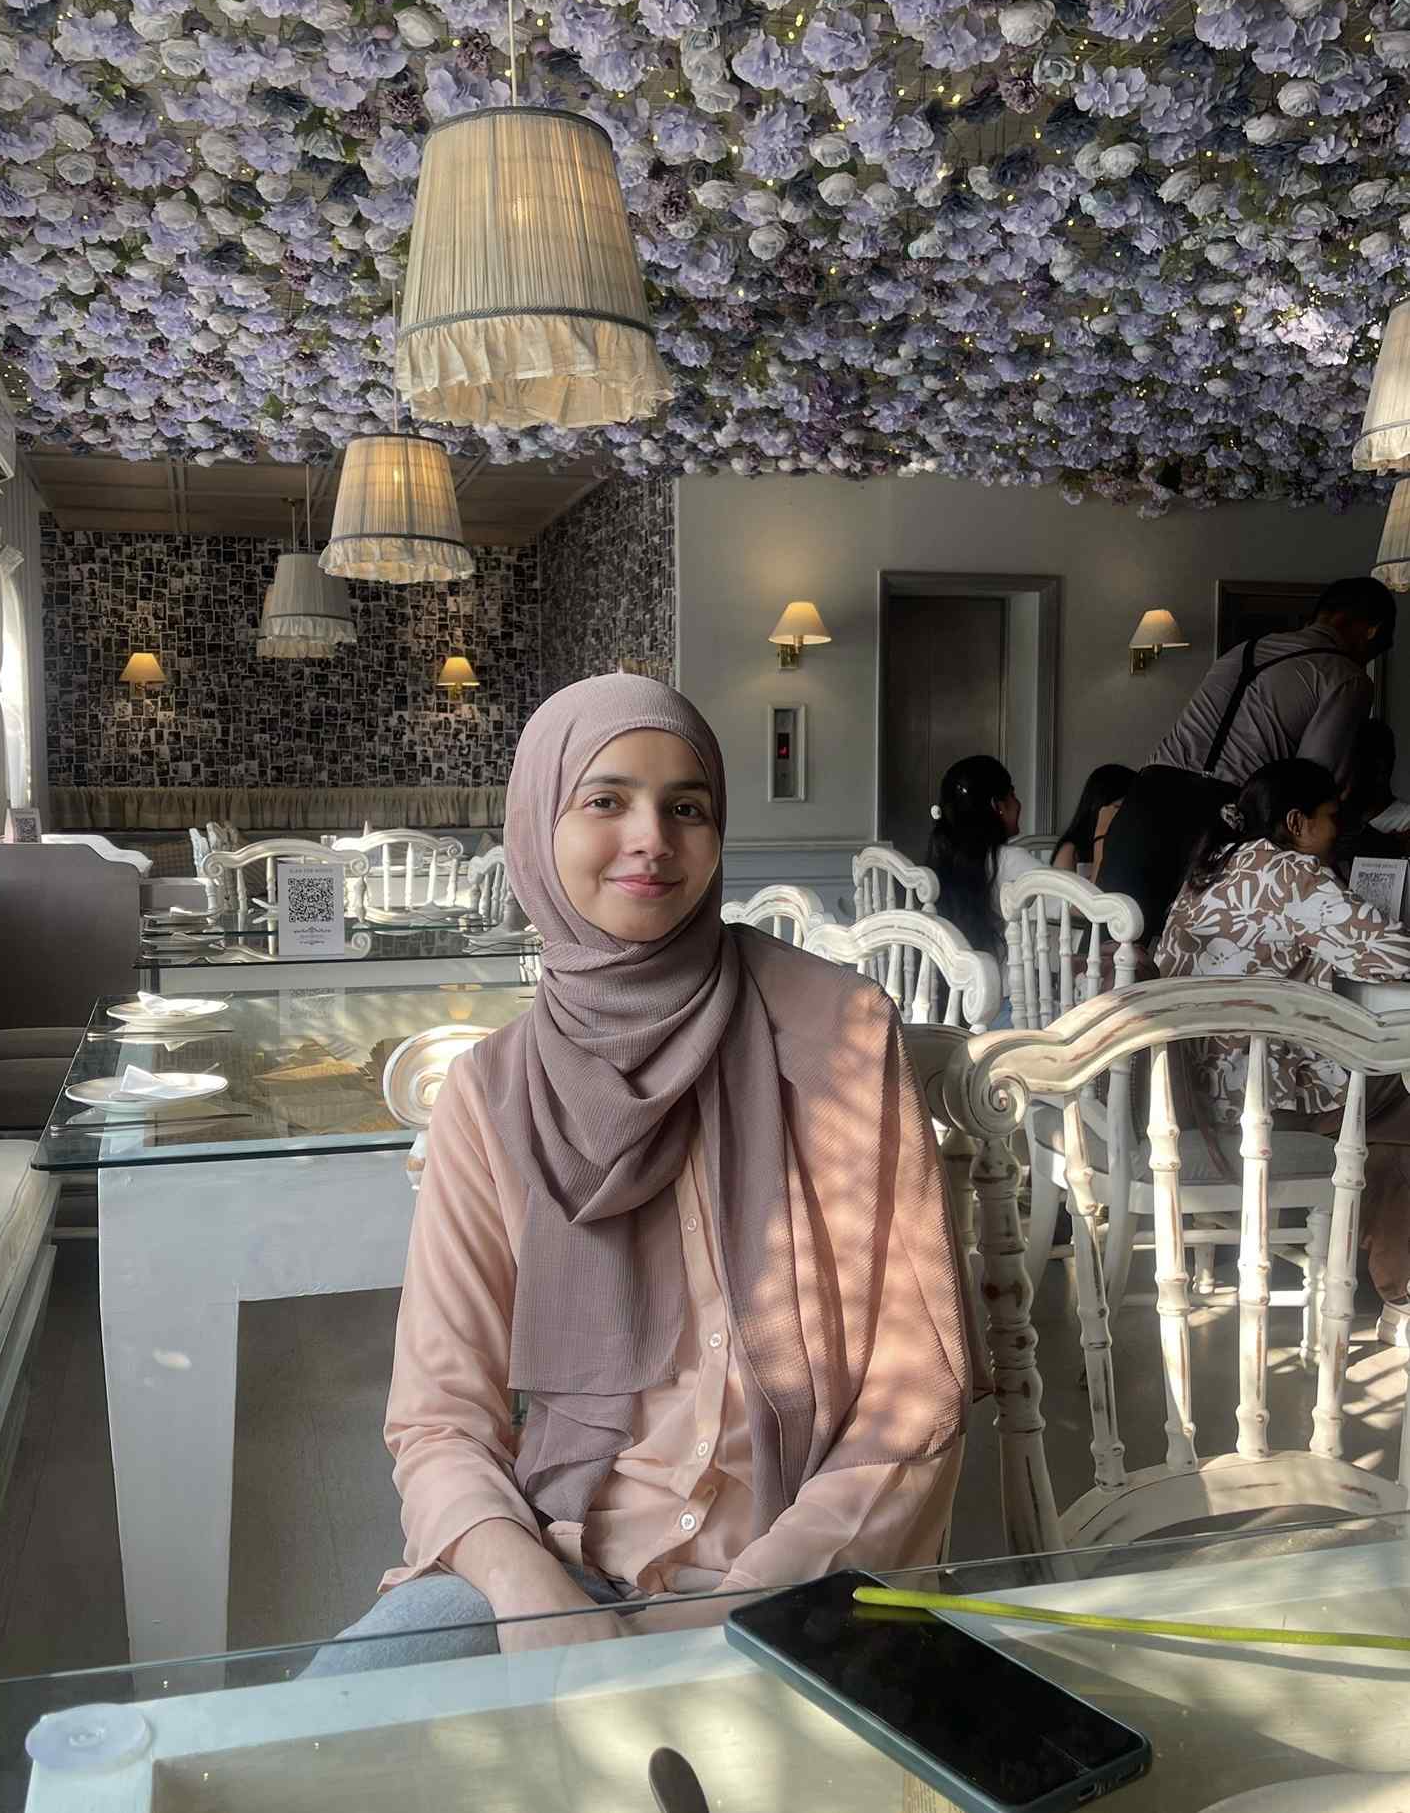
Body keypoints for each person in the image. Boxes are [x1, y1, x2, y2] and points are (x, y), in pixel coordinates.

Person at [318, 675, 975, 1671]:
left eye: (687, 807)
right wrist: (530, 1594)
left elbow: (910, 1394)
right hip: (561, 1559)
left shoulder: (832, 1033)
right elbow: (440, 1418)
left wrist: (728, 1618)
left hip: (799, 1573)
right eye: (605, 800)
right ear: (538, 826)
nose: (651, 840)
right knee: (326, 1712)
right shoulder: (491, 1094)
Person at [1156, 757, 1410, 1342]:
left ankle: (1387, 1276)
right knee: (1396, 1092)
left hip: (1189, 1092)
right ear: (1297, 822)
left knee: (1383, 1114)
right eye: (1332, 817)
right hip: (1257, 1100)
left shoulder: (1214, 862)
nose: (1339, 831)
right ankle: (1396, 1286)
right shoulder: (1292, 872)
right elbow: (1393, 955)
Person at [1101, 577, 1398, 945]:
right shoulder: (1346, 676)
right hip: (1217, 818)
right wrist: (1376, 844)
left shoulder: (1242, 651)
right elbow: (1311, 786)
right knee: (1203, 957)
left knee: (1111, 945)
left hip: (1146, 798)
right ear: (1371, 631)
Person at [924, 755, 1037, 957]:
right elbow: (1075, 906)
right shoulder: (1008, 860)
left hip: (954, 973)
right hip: (1000, 974)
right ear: (997, 806)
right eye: (1012, 795)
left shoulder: (945, 855)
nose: (1018, 804)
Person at [1050, 764, 1135, 881]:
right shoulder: (1070, 851)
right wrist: (1101, 836)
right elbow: (1095, 892)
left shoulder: (1128, 845)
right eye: (1120, 809)